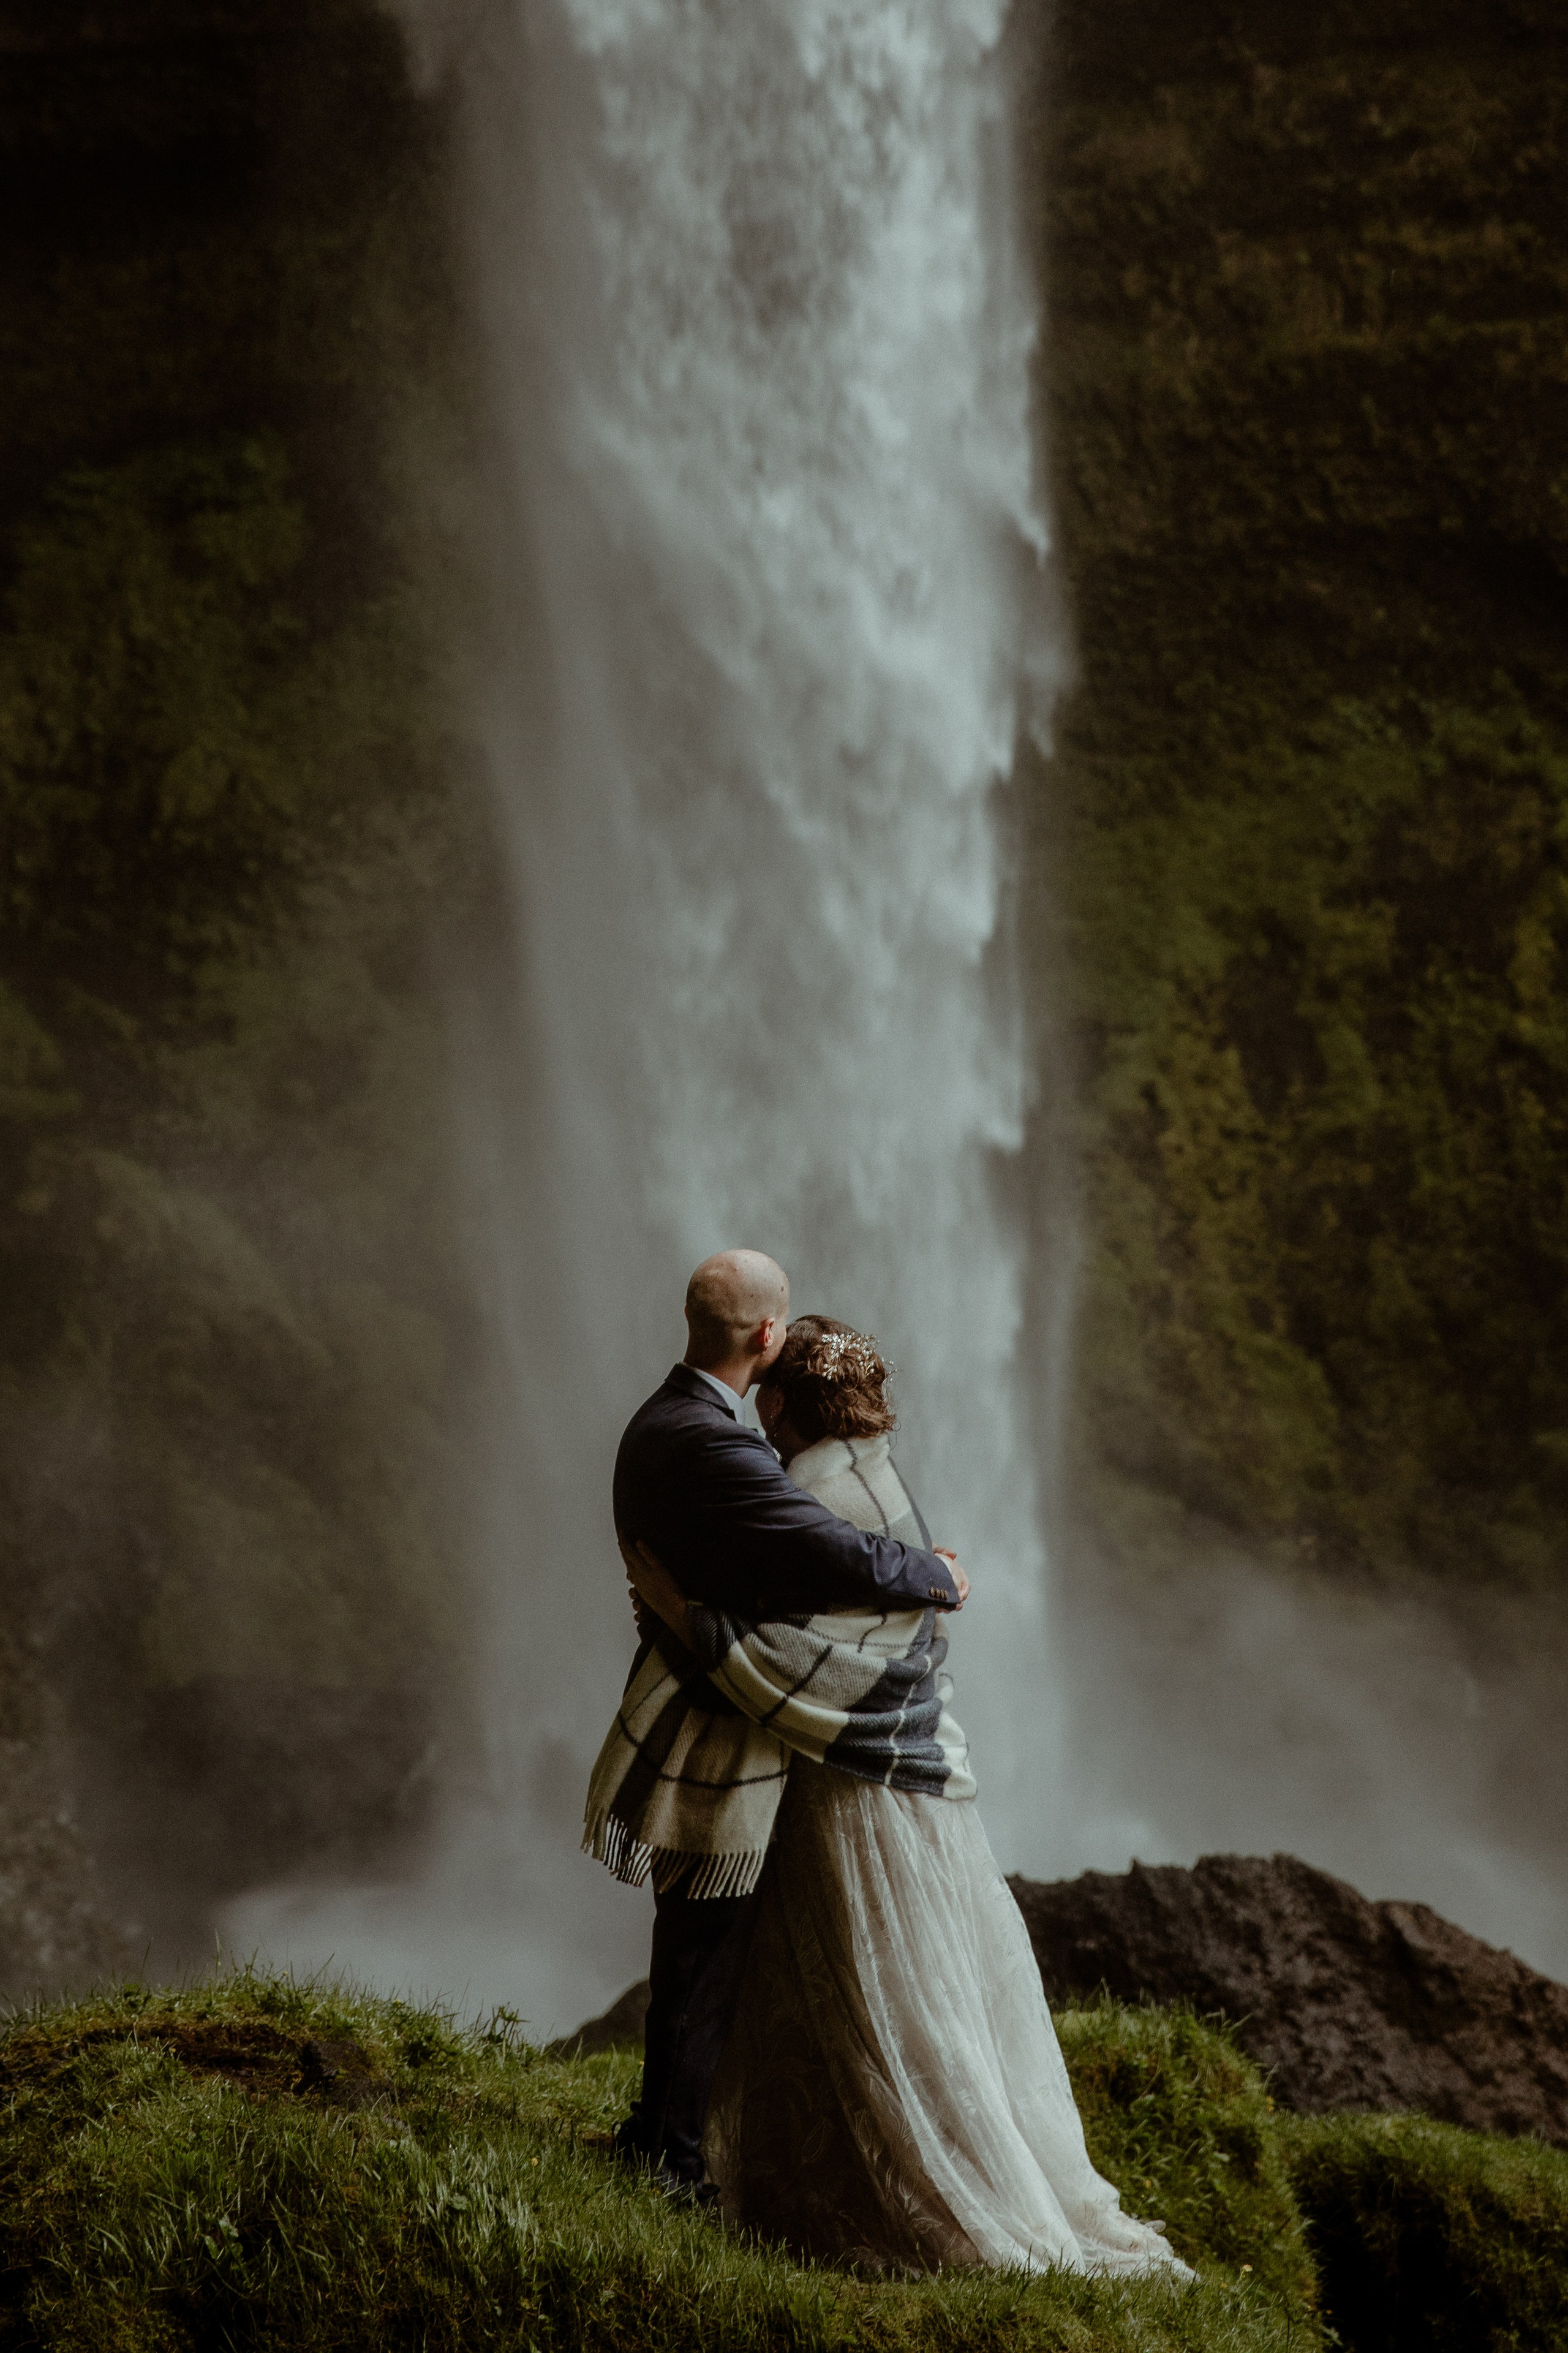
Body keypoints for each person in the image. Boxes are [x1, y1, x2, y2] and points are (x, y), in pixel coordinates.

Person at [620, 1313, 1193, 2282]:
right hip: (907, 1782)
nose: (758, 1412)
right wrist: (937, 1574)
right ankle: (806, 2167)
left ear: (790, 1402)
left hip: (849, 1793)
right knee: (903, 1983)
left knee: (862, 1981)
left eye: (771, 1397)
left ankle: (865, 2183)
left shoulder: (809, 1489)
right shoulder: (874, 1476)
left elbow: (798, 1657)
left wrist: (686, 1616)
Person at [586, 1250, 967, 2208]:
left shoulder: (663, 1420)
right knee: (705, 1953)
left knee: (700, 1949)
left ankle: (661, 2139)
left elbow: (778, 1557)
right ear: (765, 1337)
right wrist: (935, 1575)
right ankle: (668, 2162)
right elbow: (823, 1547)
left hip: (718, 1718)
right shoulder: (713, 1442)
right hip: (718, 1735)